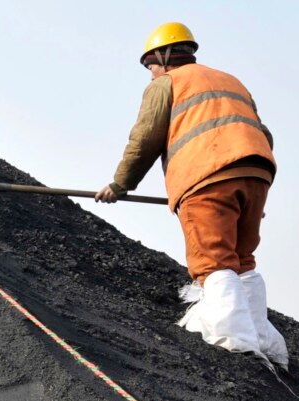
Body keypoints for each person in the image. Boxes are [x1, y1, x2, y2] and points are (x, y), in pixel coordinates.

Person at [94, 22, 288, 370]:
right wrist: (247, 187)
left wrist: (119, 185)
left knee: (213, 260)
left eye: (149, 66)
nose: (149, 74)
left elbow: (144, 140)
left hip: (207, 177)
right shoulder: (230, 81)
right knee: (242, 260)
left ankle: (236, 343)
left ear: (164, 58)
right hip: (256, 174)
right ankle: (267, 344)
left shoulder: (168, 83)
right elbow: (262, 133)